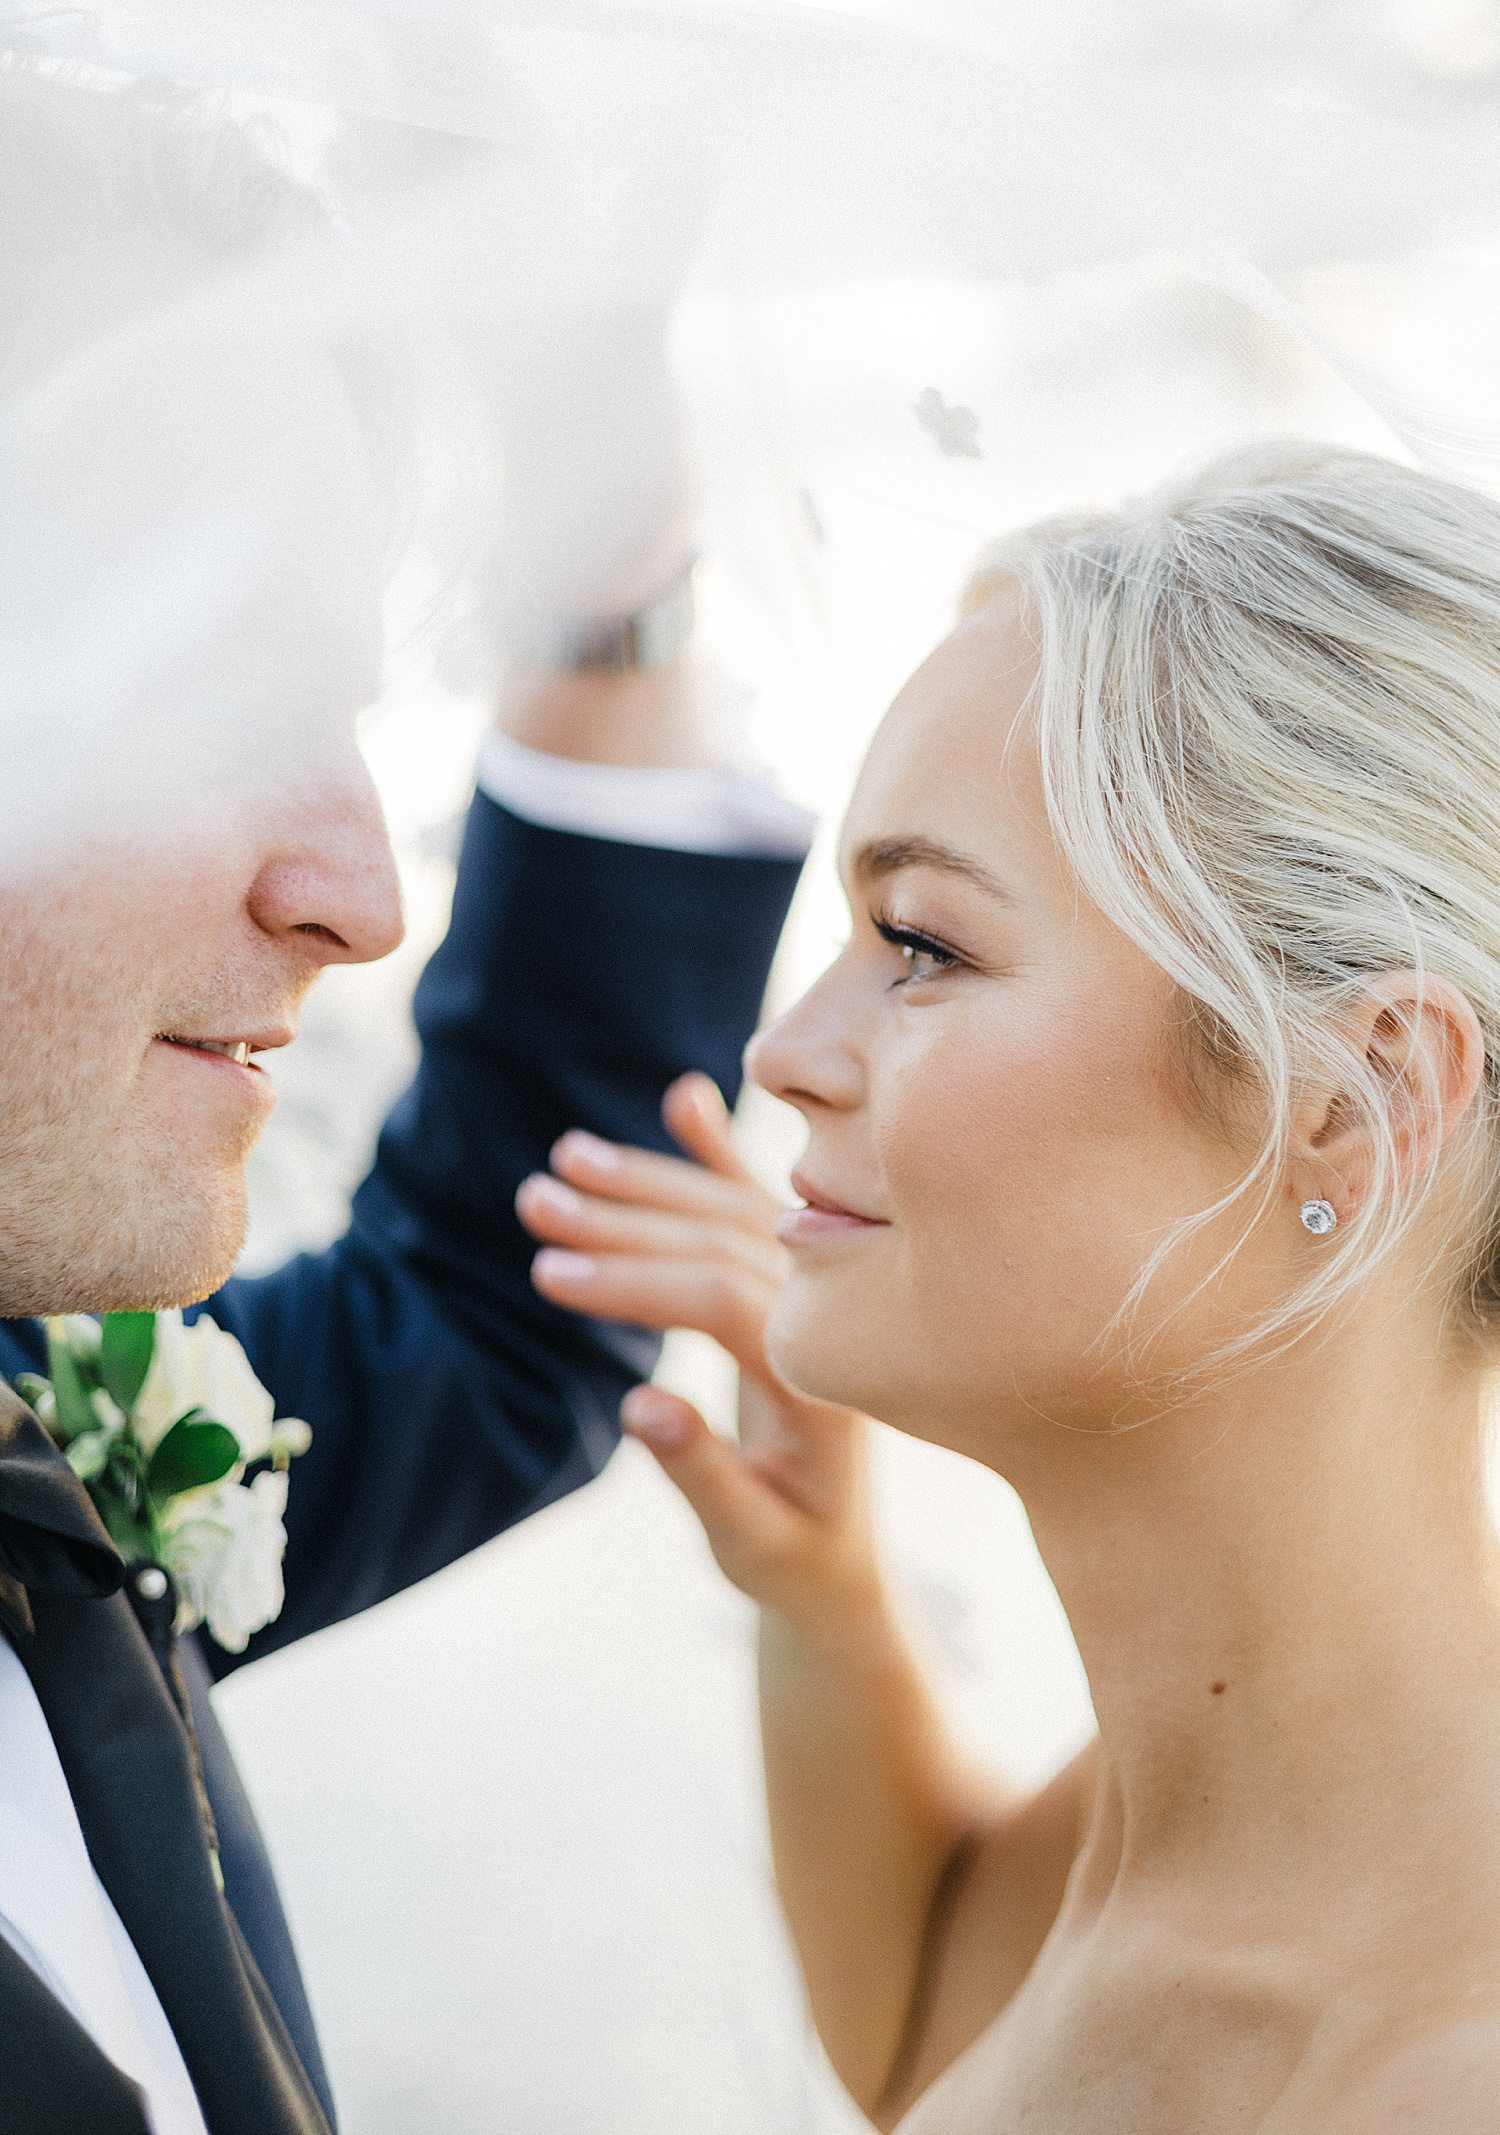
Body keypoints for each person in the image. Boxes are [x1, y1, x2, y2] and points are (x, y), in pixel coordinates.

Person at [0, 67, 807, 2135]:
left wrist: (594, 491)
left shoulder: (48, 1446)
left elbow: (496, 1293)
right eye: (203, 694)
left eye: (351, 712)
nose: (360, 899)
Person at [522, 443, 1500, 2132]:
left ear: (1349, 1106)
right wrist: (826, 1601)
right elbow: (924, 2029)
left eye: (922, 944)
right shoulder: (1195, 1835)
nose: (784, 1052)